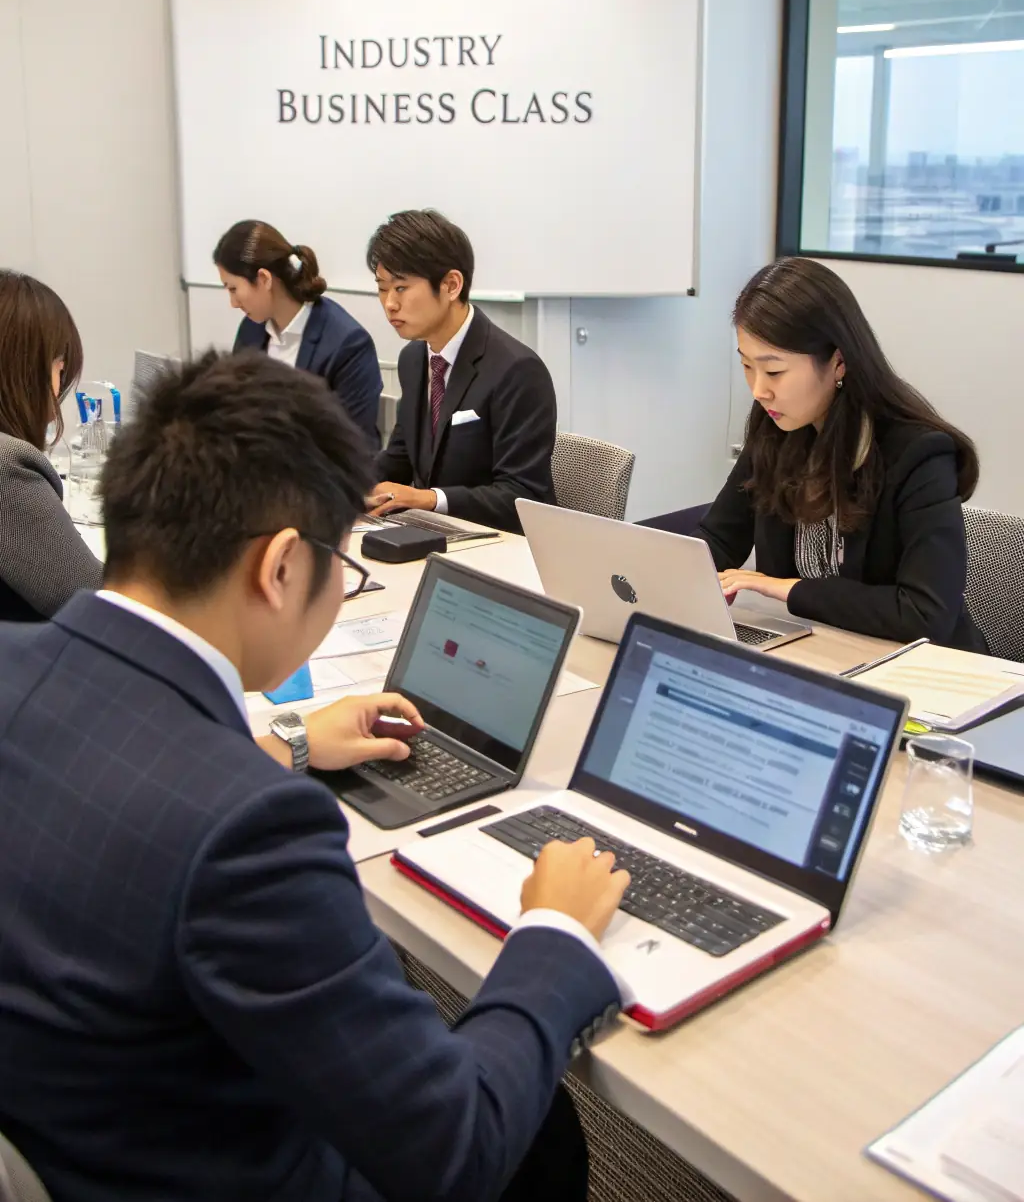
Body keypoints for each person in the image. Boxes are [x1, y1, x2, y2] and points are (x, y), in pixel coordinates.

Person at [0, 349, 627, 1202]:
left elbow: (125, 774)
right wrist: (552, 933)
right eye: (343, 560)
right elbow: (455, 1149)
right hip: (220, 1168)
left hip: (70, 1126)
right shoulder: (250, 830)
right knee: (540, 1133)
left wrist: (289, 739)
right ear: (283, 565)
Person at [693, 257, 985, 650]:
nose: (759, 390)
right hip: (820, 652)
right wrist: (663, 576)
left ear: (839, 362)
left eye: (774, 371)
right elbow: (719, 538)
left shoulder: (917, 454)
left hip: (924, 672)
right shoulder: (777, 425)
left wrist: (788, 590)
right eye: (747, 366)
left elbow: (924, 613)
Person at [367, 210, 557, 534]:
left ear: (451, 285)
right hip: (434, 536)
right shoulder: (414, 359)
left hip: (499, 549)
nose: (389, 304)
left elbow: (524, 496)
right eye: (382, 288)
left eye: (401, 288)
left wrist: (429, 499)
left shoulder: (518, 370)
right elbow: (399, 458)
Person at [217, 219, 383, 446]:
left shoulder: (348, 345)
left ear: (264, 279)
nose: (233, 303)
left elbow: (357, 450)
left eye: (233, 289)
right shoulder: (251, 330)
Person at [0, 270, 103, 620]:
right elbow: (96, 604)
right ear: (25, 370)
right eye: (59, 370)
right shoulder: (6, 468)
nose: (58, 392)